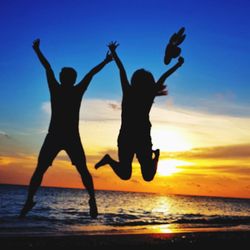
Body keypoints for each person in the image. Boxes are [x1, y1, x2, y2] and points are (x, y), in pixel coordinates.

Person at [20, 39, 112, 219]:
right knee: (66, 170)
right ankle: (91, 199)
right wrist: (105, 61)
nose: (62, 77)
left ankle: (91, 199)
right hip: (60, 136)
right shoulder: (72, 90)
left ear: (65, 78)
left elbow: (49, 69)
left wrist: (38, 50)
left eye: (64, 75)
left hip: (64, 136)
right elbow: (90, 74)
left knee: (47, 169)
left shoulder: (60, 89)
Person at [95, 41, 184, 181]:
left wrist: (114, 51)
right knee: (125, 174)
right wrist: (177, 65)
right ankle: (108, 160)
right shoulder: (130, 91)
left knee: (148, 176)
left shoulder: (144, 94)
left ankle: (156, 157)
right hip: (127, 137)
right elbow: (122, 71)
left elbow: (122, 70)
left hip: (141, 138)